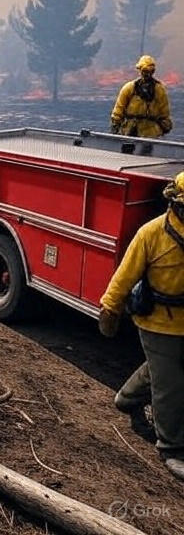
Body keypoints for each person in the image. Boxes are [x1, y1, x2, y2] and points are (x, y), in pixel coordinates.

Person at [98, 171, 184, 481]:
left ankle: (127, 397)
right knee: (170, 383)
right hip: (157, 321)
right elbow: (124, 276)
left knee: (162, 369)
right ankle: (171, 447)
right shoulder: (151, 234)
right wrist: (110, 308)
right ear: (174, 205)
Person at [110, 55, 173, 138]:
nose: (148, 74)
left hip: (150, 132)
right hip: (130, 130)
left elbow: (164, 112)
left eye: (150, 71)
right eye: (145, 71)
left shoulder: (159, 90)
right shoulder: (129, 88)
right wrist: (115, 125)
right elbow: (119, 109)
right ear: (140, 70)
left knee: (146, 149)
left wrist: (165, 126)